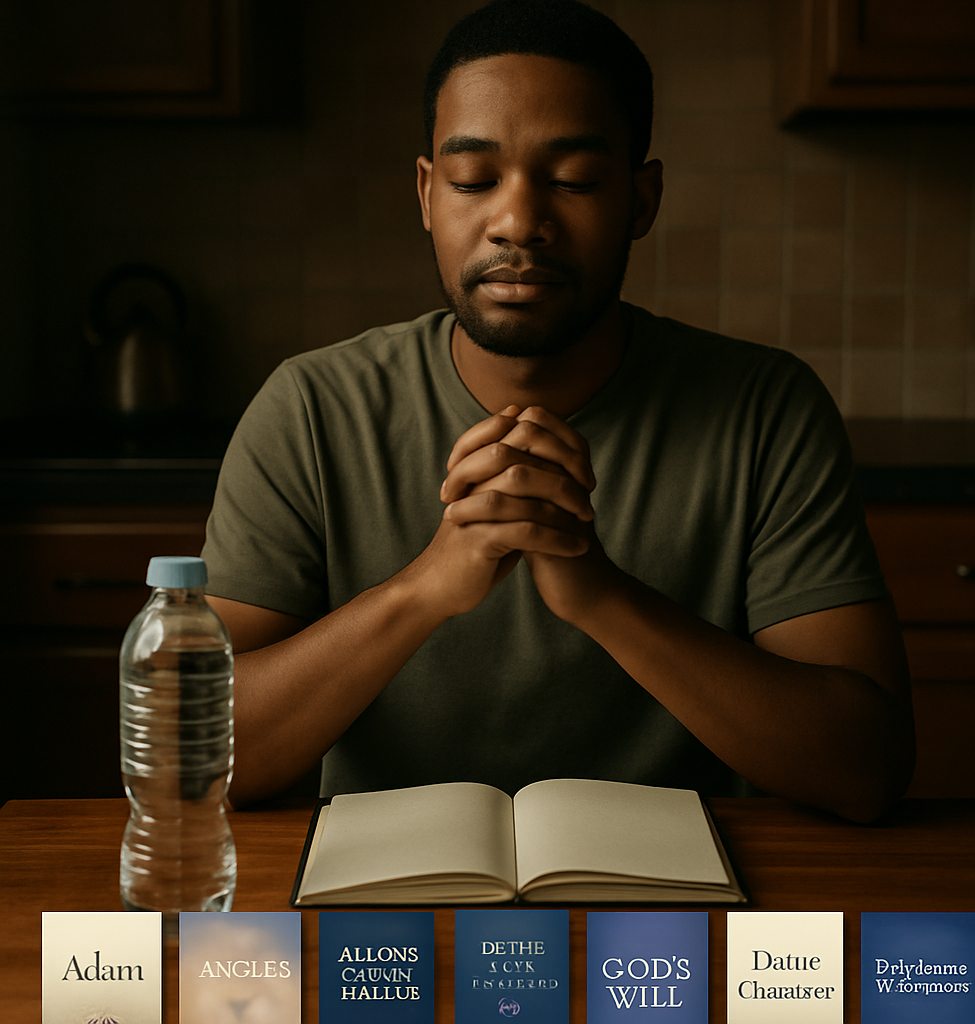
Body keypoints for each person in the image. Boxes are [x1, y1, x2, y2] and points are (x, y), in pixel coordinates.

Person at [202, 0, 914, 822]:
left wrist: (596, 593)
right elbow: (194, 759)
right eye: (474, 180)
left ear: (642, 201)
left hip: (674, 919)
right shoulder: (313, 407)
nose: (518, 223)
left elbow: (866, 767)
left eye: (573, 179)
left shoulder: (765, 410)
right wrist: (427, 589)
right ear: (429, 195)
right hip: (390, 908)